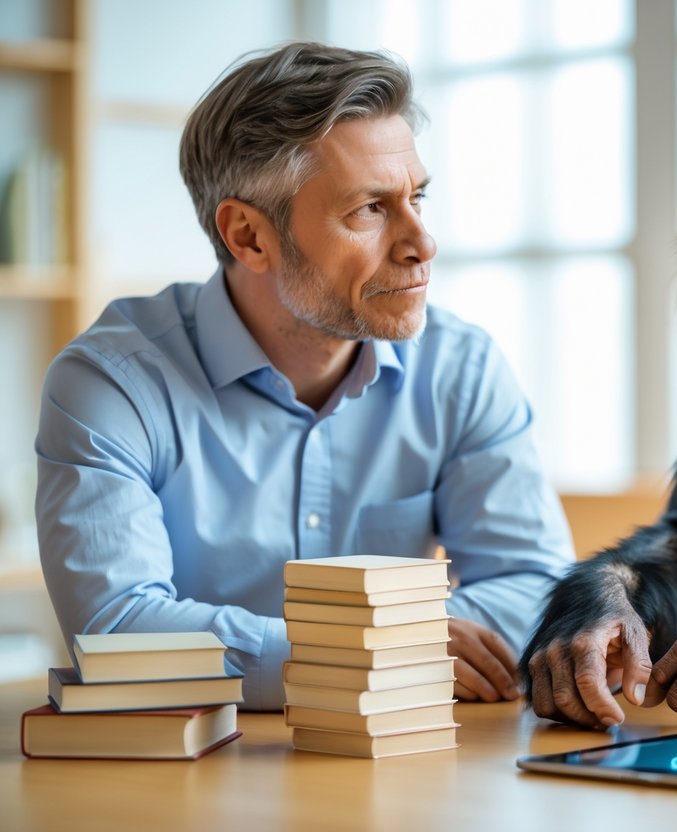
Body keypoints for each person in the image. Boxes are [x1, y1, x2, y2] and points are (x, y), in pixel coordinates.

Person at [35, 42, 573, 710]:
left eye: (417, 198)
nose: (421, 244)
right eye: (369, 210)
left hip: (407, 773)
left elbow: (533, 582)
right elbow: (115, 634)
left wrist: (360, 655)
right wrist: (371, 651)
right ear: (248, 237)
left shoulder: (461, 368)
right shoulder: (112, 383)